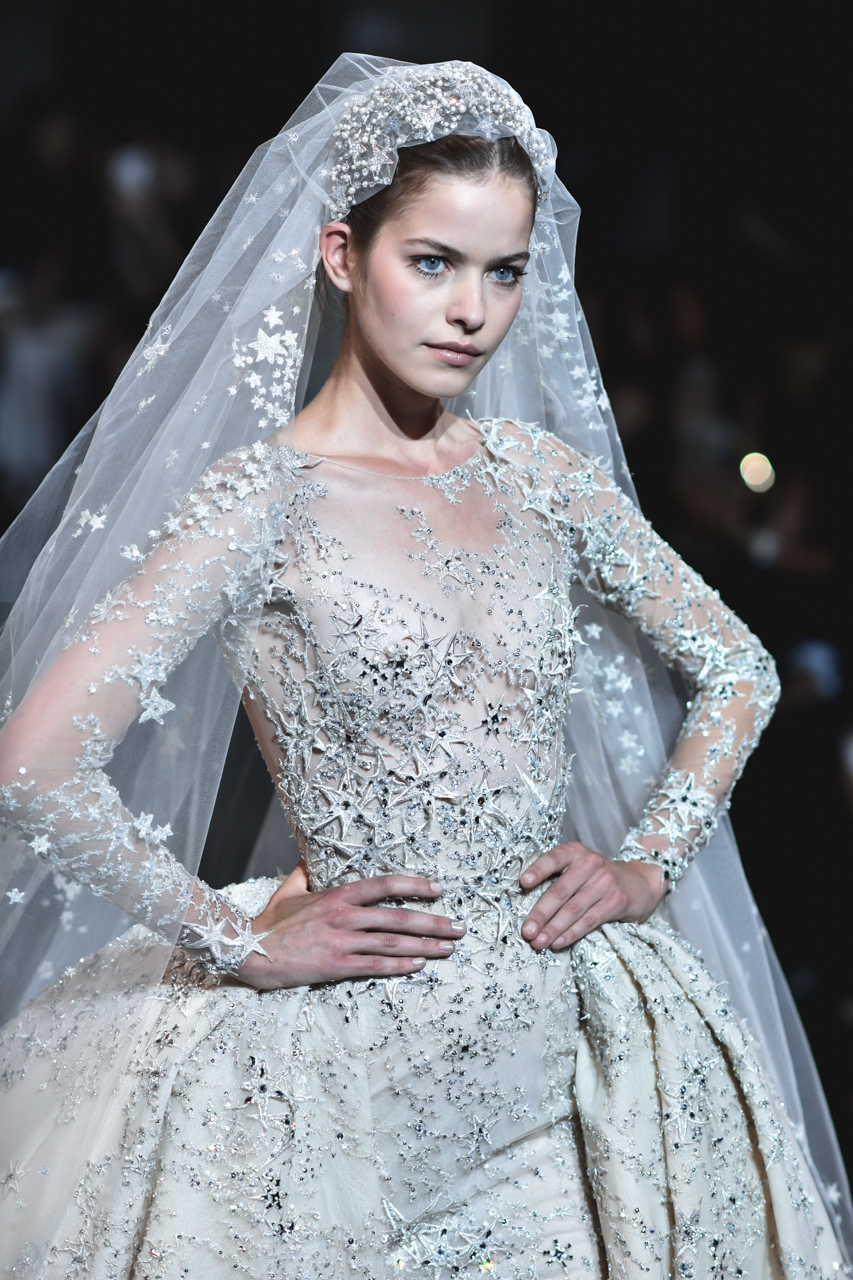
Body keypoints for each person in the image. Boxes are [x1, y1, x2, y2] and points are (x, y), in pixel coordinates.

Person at [0, 56, 849, 1278]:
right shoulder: (260, 500)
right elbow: (34, 761)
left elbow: (738, 665)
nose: (471, 309)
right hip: (342, 1075)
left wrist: (645, 863)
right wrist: (233, 936)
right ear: (342, 257)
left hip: (567, 1053)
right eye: (433, 261)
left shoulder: (539, 477)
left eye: (503, 271)